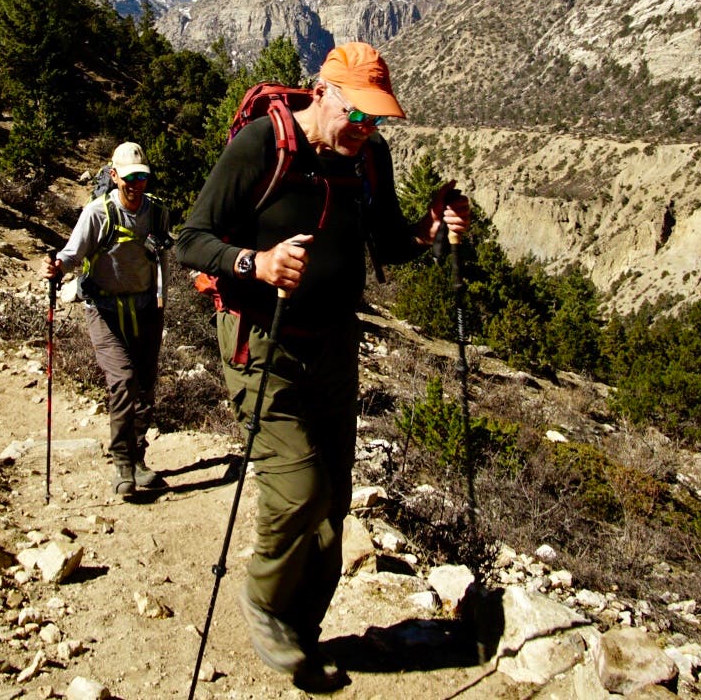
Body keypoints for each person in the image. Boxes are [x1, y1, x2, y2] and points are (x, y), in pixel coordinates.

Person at [176, 42, 470, 689]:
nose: (365, 131)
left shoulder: (368, 158)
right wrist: (257, 262)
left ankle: (301, 630)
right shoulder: (263, 145)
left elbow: (387, 240)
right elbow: (191, 239)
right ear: (323, 93)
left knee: (335, 502)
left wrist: (431, 227)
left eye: (376, 121)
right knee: (300, 488)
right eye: (358, 116)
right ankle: (264, 603)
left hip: (334, 341)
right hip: (262, 338)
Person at [45, 141, 170, 501]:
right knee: (124, 381)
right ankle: (122, 464)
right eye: (128, 177)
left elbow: (163, 252)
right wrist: (56, 268)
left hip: (147, 308)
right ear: (113, 176)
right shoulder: (98, 214)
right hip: (103, 310)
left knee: (145, 387)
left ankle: (139, 458)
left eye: (141, 177)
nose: (135, 184)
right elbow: (71, 254)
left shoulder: (158, 212)